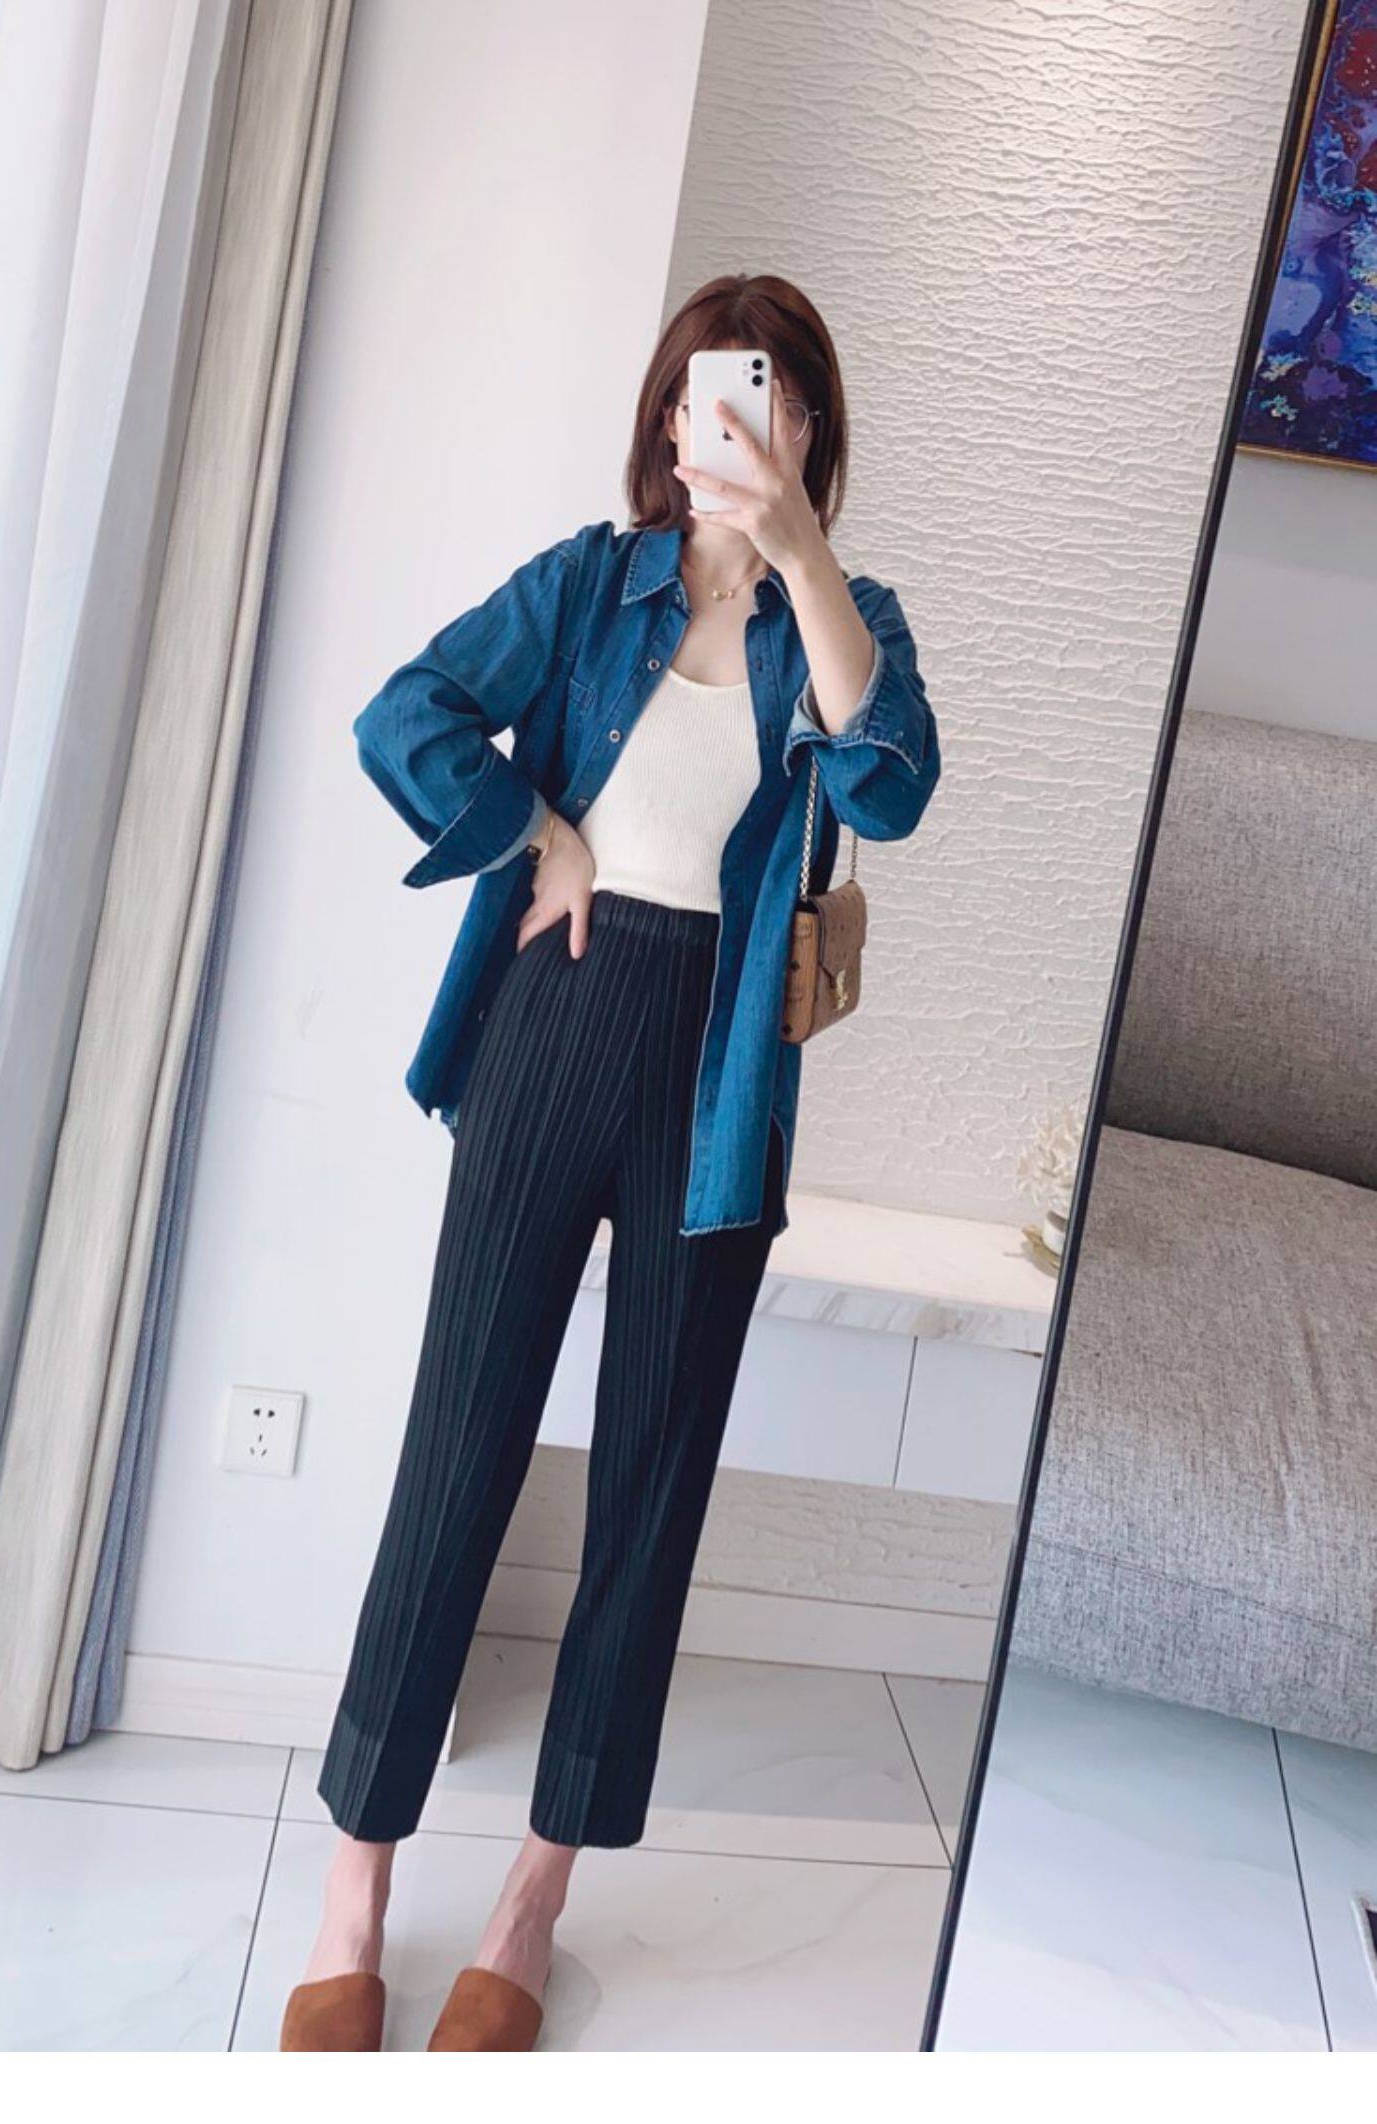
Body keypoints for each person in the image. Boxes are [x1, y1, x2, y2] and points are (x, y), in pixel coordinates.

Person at [279, 273, 941, 2053]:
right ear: (669, 415)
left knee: (651, 1483)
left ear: (809, 427)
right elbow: (405, 713)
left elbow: (891, 790)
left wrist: (800, 554)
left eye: (779, 393)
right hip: (557, 1013)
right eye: (717, 389)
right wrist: (536, 832)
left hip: (719, 1081)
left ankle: (533, 1900)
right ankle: (355, 1888)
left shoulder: (849, 622)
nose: (740, 417)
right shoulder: (591, 582)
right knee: (460, 1446)